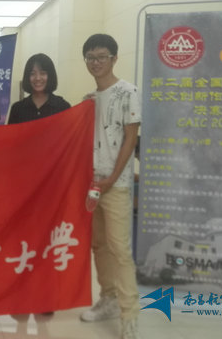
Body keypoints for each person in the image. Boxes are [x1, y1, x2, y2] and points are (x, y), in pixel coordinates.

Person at [78, 34, 141, 339]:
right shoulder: (89, 99)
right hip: (91, 184)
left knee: (119, 249)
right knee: (99, 246)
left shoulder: (128, 92)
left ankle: (130, 316)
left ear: (114, 58)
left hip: (115, 184)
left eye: (101, 57)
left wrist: (113, 178)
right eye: (90, 57)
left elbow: (131, 138)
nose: (96, 62)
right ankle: (108, 299)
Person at [7, 53, 70, 124]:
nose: (37, 78)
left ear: (50, 76)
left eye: (42, 73)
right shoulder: (17, 109)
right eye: (32, 74)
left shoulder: (63, 107)